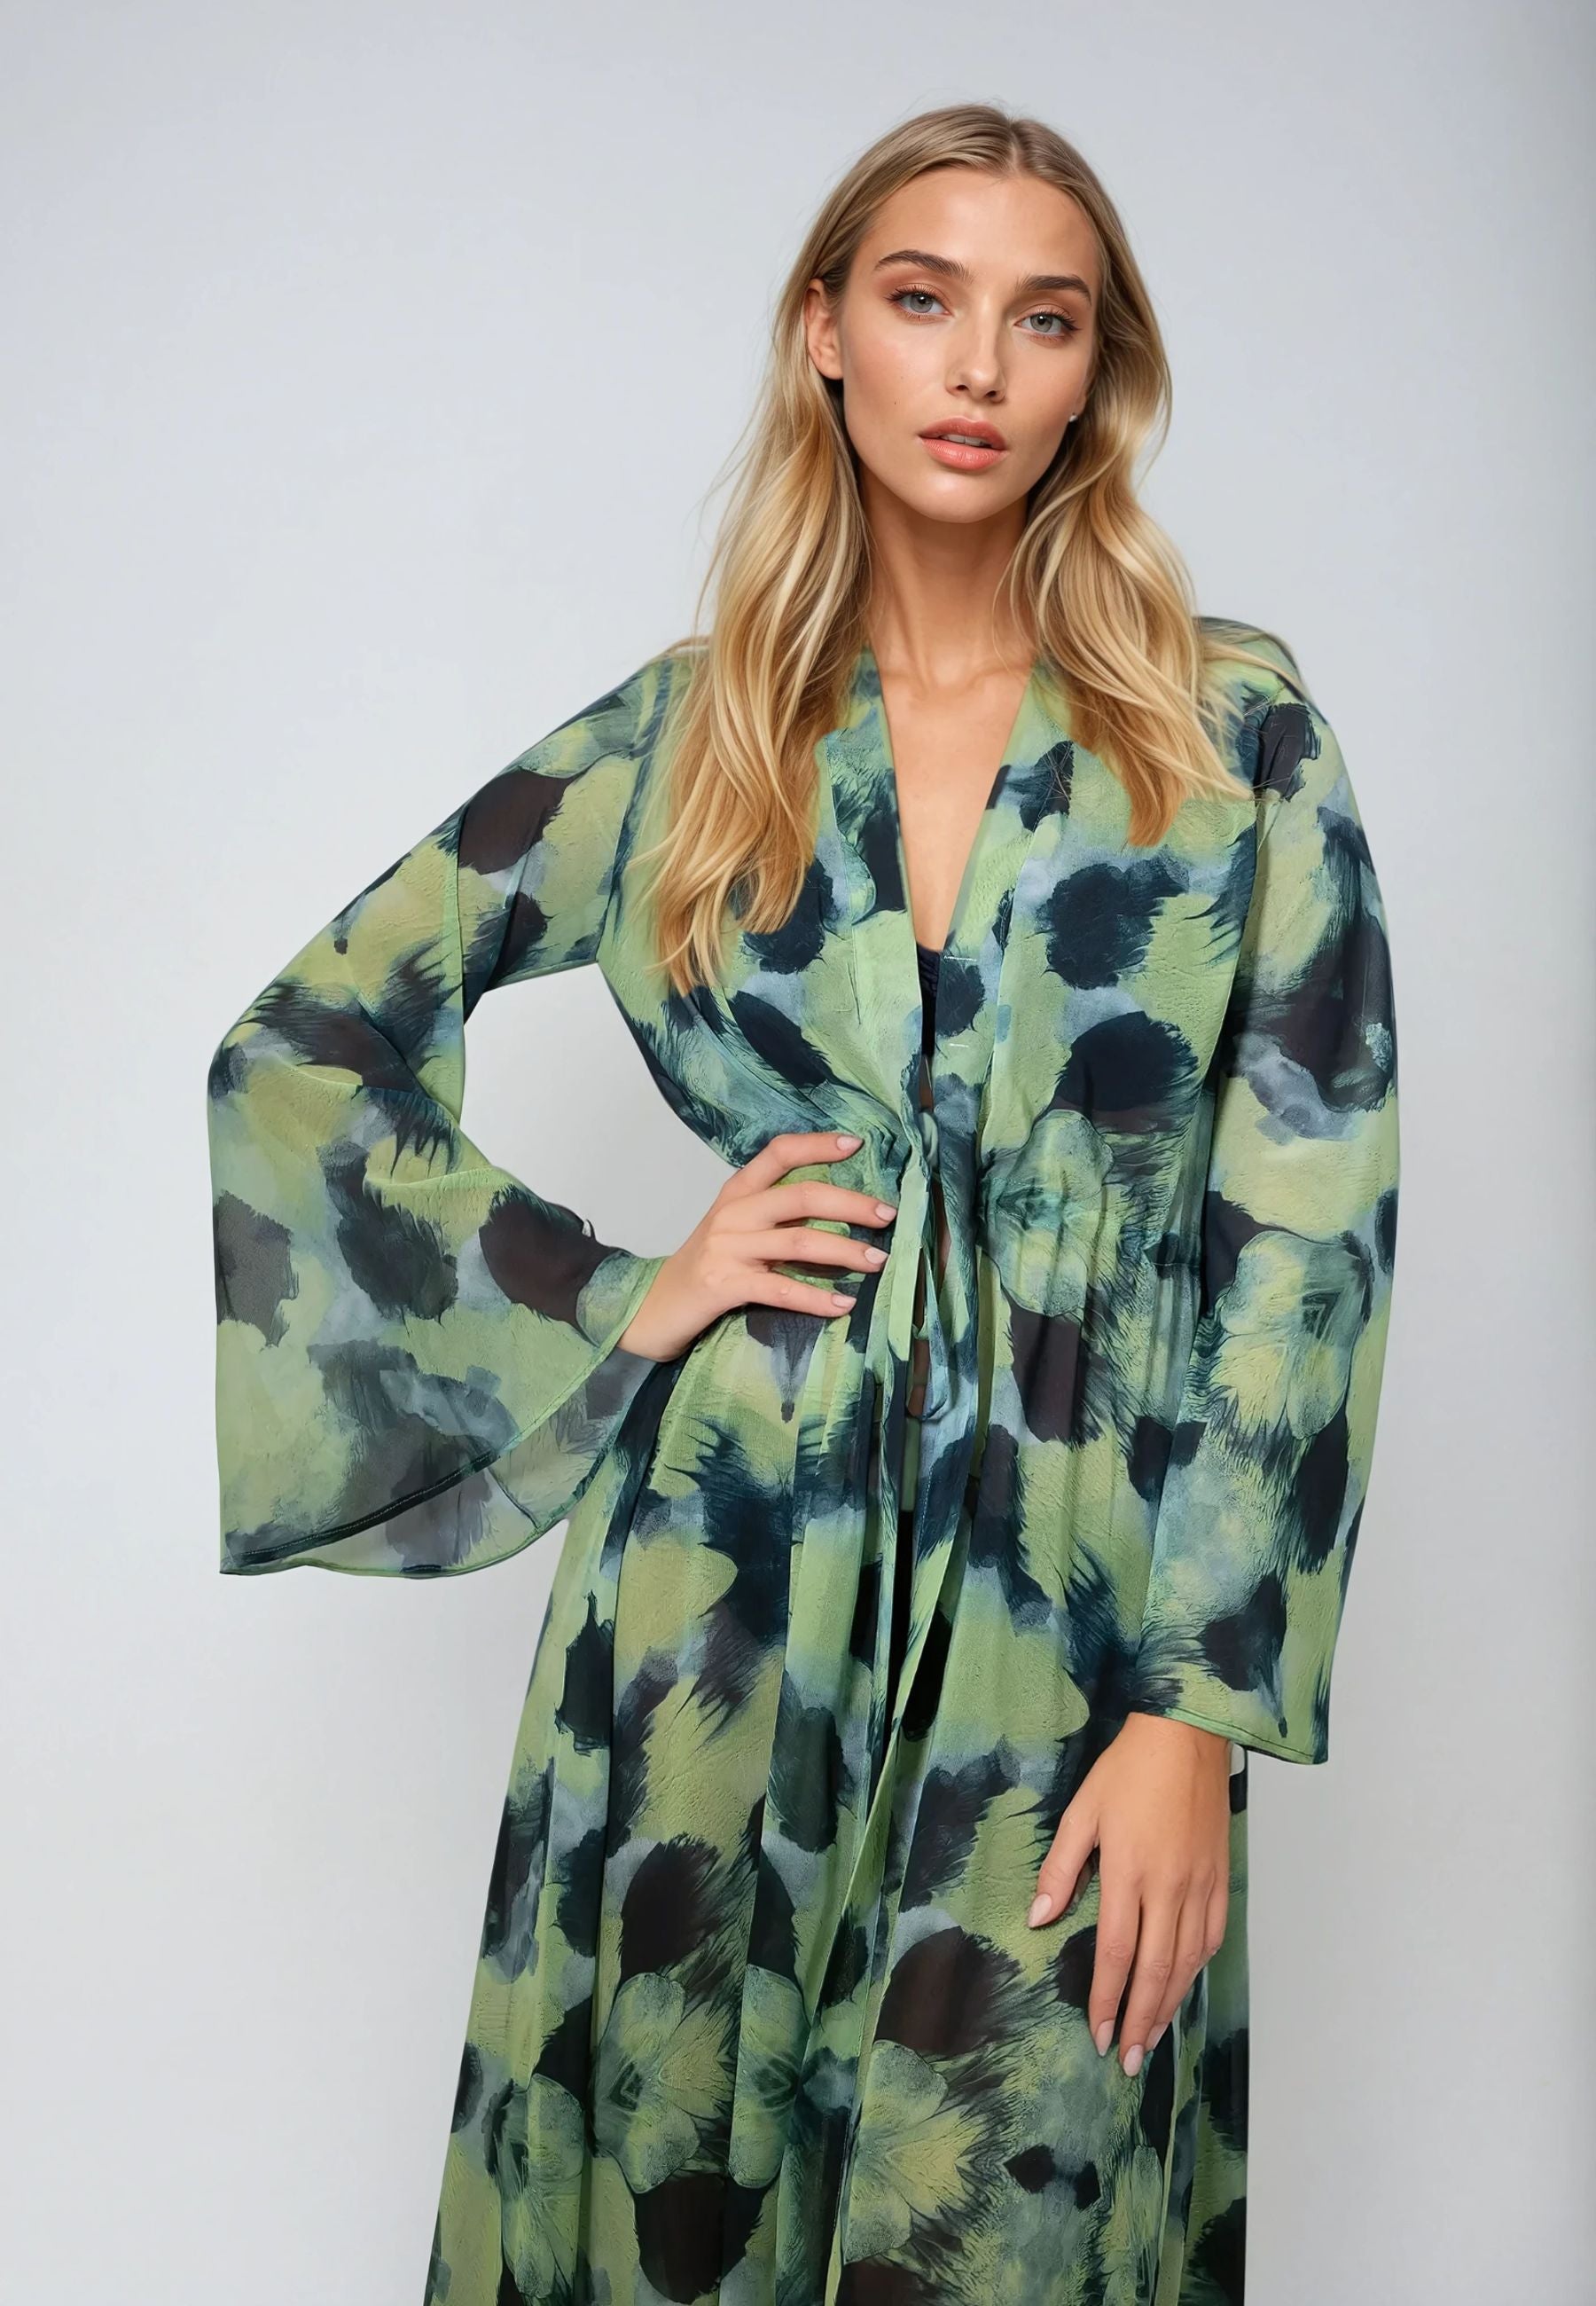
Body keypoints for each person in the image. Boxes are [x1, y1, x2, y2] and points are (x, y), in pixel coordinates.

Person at [207, 102, 1400, 2306]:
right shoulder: (690, 738)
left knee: (997, 2199)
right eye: (925, 300)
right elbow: (303, 1046)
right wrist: (621, 1291)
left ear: (1100, 373)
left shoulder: (1230, 736)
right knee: (686, 2182)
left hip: (1071, 1597)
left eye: (1046, 321)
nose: (981, 368)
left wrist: (1198, 1714)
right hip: (725, 1576)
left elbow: (1306, 1235)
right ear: (825, 332)